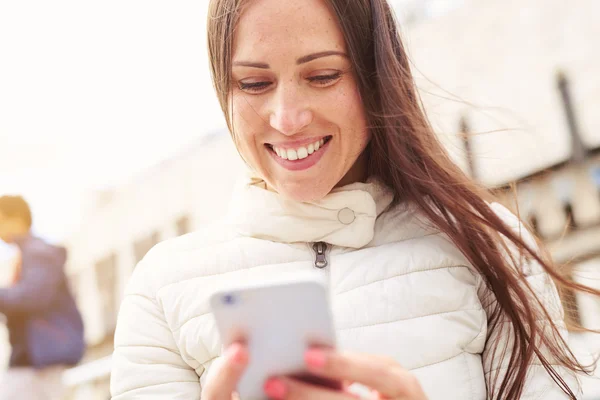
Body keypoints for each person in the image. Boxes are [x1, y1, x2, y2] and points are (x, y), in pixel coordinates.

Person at [110, 0, 596, 399]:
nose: (287, 118)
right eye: (254, 83)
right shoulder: (162, 287)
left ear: (376, 76)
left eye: (323, 76)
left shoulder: (487, 243)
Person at [0, 195, 85, 400]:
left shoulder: (38, 253)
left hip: (41, 358)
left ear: (17, 218)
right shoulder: (27, 254)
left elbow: (32, 297)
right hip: (30, 359)